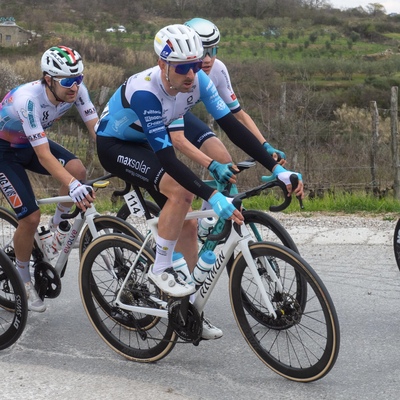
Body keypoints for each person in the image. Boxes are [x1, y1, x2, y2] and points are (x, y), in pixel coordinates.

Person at [95, 24, 304, 339]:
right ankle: (160, 268)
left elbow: (232, 127)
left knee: (190, 227)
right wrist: (213, 196)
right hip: (116, 145)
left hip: (147, 142)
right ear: (163, 64)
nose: (192, 74)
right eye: (183, 68)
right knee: (181, 192)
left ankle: (188, 310)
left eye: (195, 64)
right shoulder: (145, 92)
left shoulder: (198, 80)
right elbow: (168, 159)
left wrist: (277, 169)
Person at [0, 46, 97, 312]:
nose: (74, 87)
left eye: (79, 79)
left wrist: (116, 155)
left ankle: (55, 231)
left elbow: (97, 131)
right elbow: (44, 156)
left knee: (77, 170)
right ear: (48, 79)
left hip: (29, 144)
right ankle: (23, 280)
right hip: (4, 152)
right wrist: (73, 187)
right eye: (67, 82)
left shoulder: (77, 90)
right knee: (30, 217)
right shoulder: (27, 100)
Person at [182, 17, 287, 213]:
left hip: (181, 116)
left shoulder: (218, 70)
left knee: (224, 162)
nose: (207, 59)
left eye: (212, 50)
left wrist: (265, 145)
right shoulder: (177, 71)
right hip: (157, 120)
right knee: (178, 188)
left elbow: (238, 116)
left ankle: (207, 220)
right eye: (202, 51)